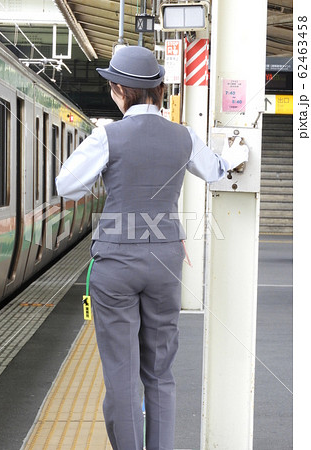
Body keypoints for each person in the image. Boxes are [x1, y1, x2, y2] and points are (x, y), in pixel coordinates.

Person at [56, 45, 248, 450]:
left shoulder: (107, 135)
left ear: (119, 91)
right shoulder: (184, 136)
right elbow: (215, 169)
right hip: (165, 264)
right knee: (160, 373)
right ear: (158, 90)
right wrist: (233, 154)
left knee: (122, 378)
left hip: (115, 264)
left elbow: (66, 185)